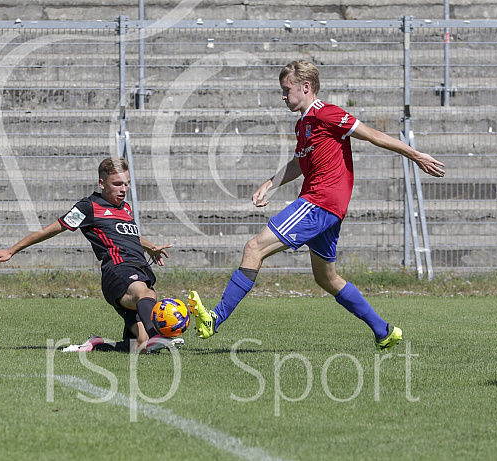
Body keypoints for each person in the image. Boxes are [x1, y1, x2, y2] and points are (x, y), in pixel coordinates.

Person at [188, 60, 445, 351]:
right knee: (327, 278)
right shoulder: (304, 124)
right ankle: (384, 331)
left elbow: (374, 135)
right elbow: (300, 162)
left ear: (305, 87)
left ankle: (214, 318)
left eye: (287, 90)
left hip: (320, 201)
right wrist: (269, 183)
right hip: (326, 207)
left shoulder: (328, 114)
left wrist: (416, 155)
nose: (283, 96)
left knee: (253, 248)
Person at [0, 157, 180, 353]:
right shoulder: (88, 207)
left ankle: (96, 345)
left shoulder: (125, 207)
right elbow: (49, 230)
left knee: (141, 344)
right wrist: (11, 250)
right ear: (102, 183)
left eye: (126, 184)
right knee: (146, 294)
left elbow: (127, 235)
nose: (123, 189)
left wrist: (150, 247)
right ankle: (158, 333)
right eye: (117, 184)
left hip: (140, 269)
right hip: (119, 270)